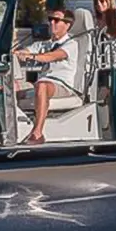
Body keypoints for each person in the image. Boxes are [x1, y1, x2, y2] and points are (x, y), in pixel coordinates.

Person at [13, 8, 79, 144]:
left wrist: (31, 56)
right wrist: (16, 53)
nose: (52, 23)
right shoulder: (44, 44)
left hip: (62, 85)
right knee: (9, 87)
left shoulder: (71, 44)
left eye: (56, 20)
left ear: (67, 25)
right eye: (50, 20)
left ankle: (38, 133)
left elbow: (50, 57)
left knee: (42, 86)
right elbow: (24, 51)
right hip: (42, 83)